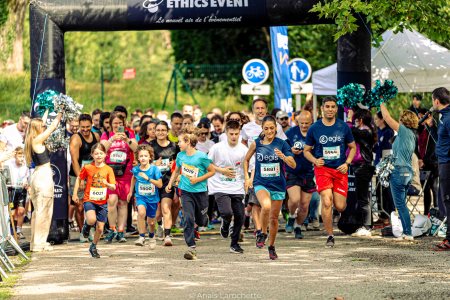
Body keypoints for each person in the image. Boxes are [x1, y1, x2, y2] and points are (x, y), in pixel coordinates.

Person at [303, 96, 356, 248]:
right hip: (323, 169)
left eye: (333, 107)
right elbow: (306, 151)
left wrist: (347, 163)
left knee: (339, 206)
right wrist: (314, 160)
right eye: (327, 106)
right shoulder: (314, 128)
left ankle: (339, 214)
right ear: (322, 109)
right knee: (327, 201)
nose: (330, 109)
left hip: (340, 169)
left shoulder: (343, 127)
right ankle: (330, 235)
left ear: (336, 109)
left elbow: (352, 147)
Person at [244, 115, 295, 260]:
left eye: (272, 128)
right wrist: (247, 178)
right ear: (262, 129)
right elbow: (246, 160)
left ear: (276, 128)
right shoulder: (256, 143)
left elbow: (293, 164)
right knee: (265, 206)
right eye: (266, 128)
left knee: (273, 218)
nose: (269, 131)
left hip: (278, 185)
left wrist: (284, 157)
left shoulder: (282, 144)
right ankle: (262, 233)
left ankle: (271, 246)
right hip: (261, 183)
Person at [166, 126, 215, 260]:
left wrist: (198, 179)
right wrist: (170, 184)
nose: (177, 144)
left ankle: (203, 221)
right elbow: (176, 171)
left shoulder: (201, 156)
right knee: (188, 218)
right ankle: (191, 247)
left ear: (187, 142)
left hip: (200, 192)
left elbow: (212, 171)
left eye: (180, 141)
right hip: (186, 191)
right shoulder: (180, 155)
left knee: (201, 220)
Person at [24, 110, 63, 251]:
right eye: (42, 126)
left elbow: (45, 123)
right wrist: (60, 114)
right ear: (37, 129)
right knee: (44, 211)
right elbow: (52, 127)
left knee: (37, 211)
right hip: (43, 176)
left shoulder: (30, 140)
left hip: (36, 175)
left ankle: (35, 241)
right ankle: (39, 243)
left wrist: (47, 111)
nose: (44, 127)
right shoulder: (37, 140)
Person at [380, 102, 418, 241]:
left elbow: (386, 117)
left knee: (400, 205)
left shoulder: (403, 131)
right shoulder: (412, 135)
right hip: (408, 172)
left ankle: (407, 233)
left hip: (399, 171)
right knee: (402, 204)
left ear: (403, 121)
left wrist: (381, 101)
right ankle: (406, 232)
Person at [208, 120, 249, 253]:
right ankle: (225, 224)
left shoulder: (244, 149)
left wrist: (248, 179)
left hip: (237, 185)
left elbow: (248, 166)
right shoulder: (217, 148)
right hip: (219, 185)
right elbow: (207, 165)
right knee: (226, 212)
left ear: (239, 133)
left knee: (240, 215)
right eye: (231, 134)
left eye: (236, 134)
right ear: (226, 133)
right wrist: (222, 171)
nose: (233, 136)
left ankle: (234, 243)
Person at [72, 143, 116, 258]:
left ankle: (93, 246)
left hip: (102, 202)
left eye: (101, 153)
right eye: (96, 153)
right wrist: (75, 194)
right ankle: (86, 226)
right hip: (89, 199)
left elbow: (113, 186)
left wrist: (108, 184)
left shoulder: (108, 169)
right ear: (92, 155)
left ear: (105, 155)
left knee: (100, 228)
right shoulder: (87, 167)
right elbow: (79, 179)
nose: (98, 155)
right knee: (91, 220)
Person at [100, 112, 138, 243]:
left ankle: (121, 231)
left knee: (123, 202)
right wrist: (112, 140)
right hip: (110, 172)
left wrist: (126, 139)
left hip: (125, 172)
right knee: (112, 201)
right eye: (115, 123)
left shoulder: (129, 134)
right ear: (110, 124)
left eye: (120, 123)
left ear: (124, 124)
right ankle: (112, 229)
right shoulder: (106, 135)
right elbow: (102, 148)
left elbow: (136, 148)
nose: (117, 126)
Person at [285, 110, 316, 239]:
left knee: (304, 205)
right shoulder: (291, 133)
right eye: (301, 123)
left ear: (311, 122)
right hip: (293, 171)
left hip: (308, 172)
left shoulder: (315, 134)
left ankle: (298, 226)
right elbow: (282, 149)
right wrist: (291, 151)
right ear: (297, 122)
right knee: (295, 199)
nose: (304, 125)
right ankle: (291, 216)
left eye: (307, 123)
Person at [69, 114, 100, 242]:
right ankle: (83, 232)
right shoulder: (76, 138)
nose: (86, 130)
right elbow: (74, 161)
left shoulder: (96, 136)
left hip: (93, 175)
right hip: (78, 174)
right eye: (83, 127)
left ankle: (90, 229)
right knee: (79, 206)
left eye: (88, 127)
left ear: (92, 124)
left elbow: (98, 155)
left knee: (93, 204)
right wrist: (80, 179)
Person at [346, 109, 376, 237]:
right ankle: (364, 225)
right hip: (361, 167)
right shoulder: (366, 130)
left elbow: (350, 131)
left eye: (356, 120)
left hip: (364, 167)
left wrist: (348, 119)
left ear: (361, 120)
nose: (355, 122)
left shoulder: (365, 131)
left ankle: (366, 226)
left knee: (363, 198)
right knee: (362, 197)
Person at [128, 145, 163, 250]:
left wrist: (148, 179)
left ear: (150, 157)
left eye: (145, 156)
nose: (143, 158)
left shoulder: (154, 169)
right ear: (138, 158)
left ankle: (152, 237)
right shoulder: (136, 169)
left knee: (151, 222)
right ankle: (141, 237)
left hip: (152, 199)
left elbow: (160, 185)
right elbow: (134, 178)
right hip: (140, 197)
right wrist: (130, 192)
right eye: (141, 156)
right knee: (141, 212)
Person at [151, 121, 180, 245]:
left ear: (167, 131)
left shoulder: (174, 146)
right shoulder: (150, 146)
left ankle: (167, 236)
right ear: (155, 132)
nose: (161, 132)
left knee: (166, 208)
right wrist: (153, 164)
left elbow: (179, 165)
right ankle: (158, 226)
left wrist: (173, 166)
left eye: (163, 130)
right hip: (153, 182)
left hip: (167, 182)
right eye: (158, 130)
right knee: (157, 214)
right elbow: (143, 164)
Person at [431, 87, 450, 251]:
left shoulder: (448, 118)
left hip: (447, 163)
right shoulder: (443, 117)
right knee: (445, 200)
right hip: (443, 161)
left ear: (436, 100)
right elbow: (441, 140)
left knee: (448, 200)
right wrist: (431, 127)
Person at [373, 111, 395, 226]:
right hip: (377, 164)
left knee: (386, 191)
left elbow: (387, 151)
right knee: (378, 191)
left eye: (377, 119)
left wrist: (384, 165)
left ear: (382, 119)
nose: (375, 121)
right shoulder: (378, 131)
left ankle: (389, 215)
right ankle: (382, 215)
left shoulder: (388, 132)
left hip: (385, 165)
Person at [5, 147, 29, 240]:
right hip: (12, 188)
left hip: (21, 189)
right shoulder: (10, 163)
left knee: (21, 211)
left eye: (23, 156)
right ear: (15, 156)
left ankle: (19, 230)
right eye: (19, 156)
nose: (21, 158)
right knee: (13, 211)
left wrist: (26, 182)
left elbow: (25, 177)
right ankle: (12, 229)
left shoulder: (24, 165)